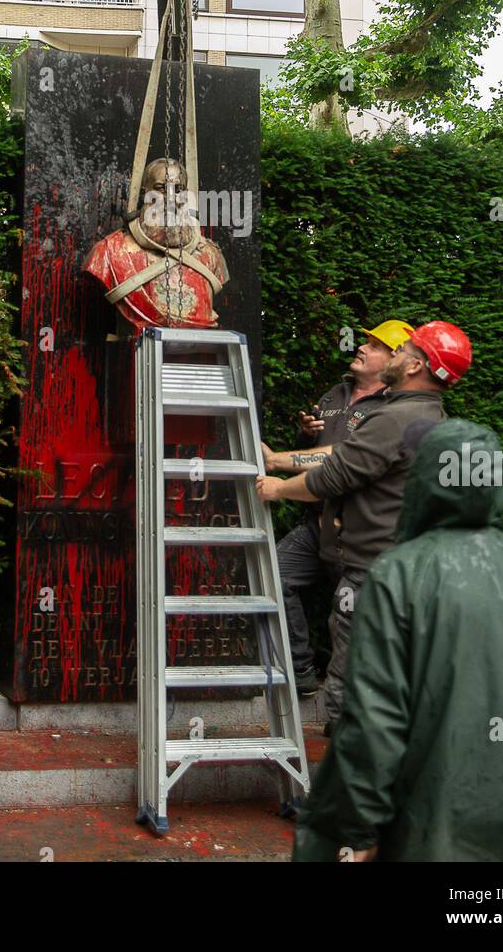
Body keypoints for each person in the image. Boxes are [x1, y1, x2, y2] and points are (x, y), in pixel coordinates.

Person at [292, 417, 503, 862]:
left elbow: (371, 731)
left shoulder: (399, 576)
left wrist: (331, 837)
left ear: (423, 484)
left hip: (433, 835)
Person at [257, 321, 472, 729]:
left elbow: (334, 475)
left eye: (403, 349)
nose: (391, 353)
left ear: (414, 366)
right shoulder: (427, 416)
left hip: (372, 573)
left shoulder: (396, 418)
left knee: (350, 689)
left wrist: (279, 489)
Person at [261, 320, 415, 698]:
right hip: (318, 521)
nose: (362, 348)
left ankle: (358, 709)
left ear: (396, 360)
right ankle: (301, 671)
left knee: (354, 620)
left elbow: (342, 461)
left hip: (357, 529)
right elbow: (321, 449)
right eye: (365, 342)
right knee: (274, 576)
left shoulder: (391, 410)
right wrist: (306, 436)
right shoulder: (336, 393)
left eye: (375, 346)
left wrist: (279, 470)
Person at [83, 157, 228, 330]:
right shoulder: (109, 252)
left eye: (178, 189)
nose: (171, 198)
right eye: (161, 189)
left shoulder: (211, 255)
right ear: (146, 193)